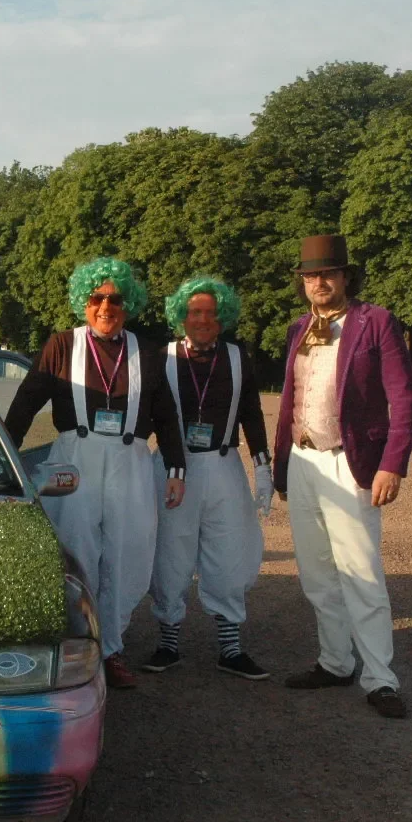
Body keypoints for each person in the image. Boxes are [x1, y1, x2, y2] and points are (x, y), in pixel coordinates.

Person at [4, 257, 186, 690]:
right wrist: (3, 454)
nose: (106, 307)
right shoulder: (62, 345)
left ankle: (111, 646)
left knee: (129, 556)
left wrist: (177, 469)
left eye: (115, 298)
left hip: (131, 463)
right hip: (76, 461)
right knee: (77, 554)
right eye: (96, 298)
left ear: (129, 303)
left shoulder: (147, 351)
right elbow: (26, 402)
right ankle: (77, 648)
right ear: (83, 302)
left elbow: (166, 416)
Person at [274, 235, 412, 718]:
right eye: (311, 275)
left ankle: (379, 678)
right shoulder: (299, 328)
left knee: (360, 572)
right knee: (317, 575)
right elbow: (289, 401)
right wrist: (280, 464)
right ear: (303, 282)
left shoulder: (375, 322)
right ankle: (335, 662)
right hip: (303, 459)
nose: (319, 281)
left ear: (345, 277)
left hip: (349, 461)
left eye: (328, 274)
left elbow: (404, 398)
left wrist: (392, 463)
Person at [143, 276, 273, 680]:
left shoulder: (237, 356)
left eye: (211, 313)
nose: (202, 319)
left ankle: (230, 648)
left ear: (222, 318)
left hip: (222, 464)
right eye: (195, 312)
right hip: (172, 466)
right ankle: (168, 642)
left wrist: (263, 465)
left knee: (230, 550)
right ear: (182, 315)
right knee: (171, 551)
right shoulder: (160, 357)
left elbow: (250, 411)